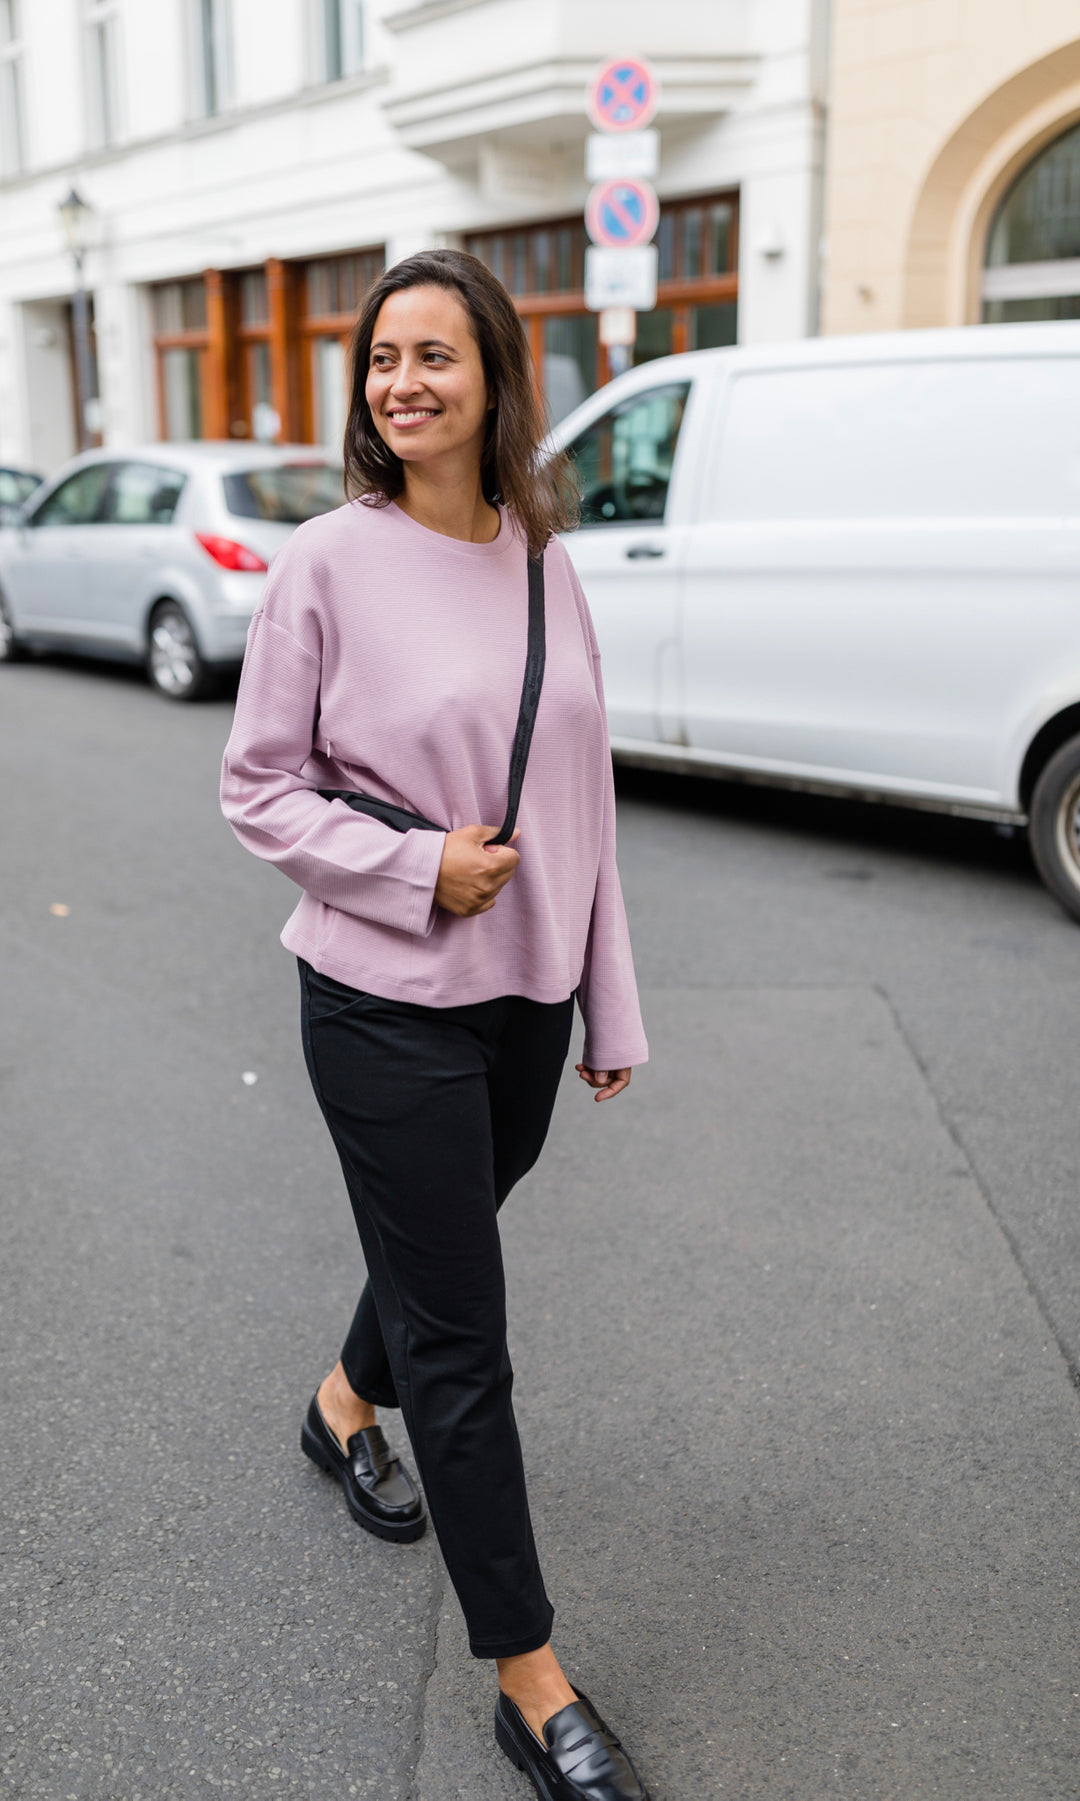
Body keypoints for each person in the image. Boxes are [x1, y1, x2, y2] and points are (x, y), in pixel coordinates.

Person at [221, 248, 651, 1801]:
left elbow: (579, 791)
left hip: (526, 1003)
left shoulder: (546, 556)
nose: (404, 381)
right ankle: (528, 1682)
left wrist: (607, 989)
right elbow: (256, 784)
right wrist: (414, 866)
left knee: (435, 1245)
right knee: (464, 1336)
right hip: (382, 995)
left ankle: (343, 1405)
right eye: (383, 358)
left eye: (436, 357)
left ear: (492, 380)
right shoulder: (328, 561)